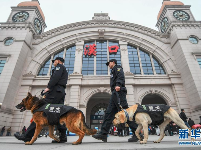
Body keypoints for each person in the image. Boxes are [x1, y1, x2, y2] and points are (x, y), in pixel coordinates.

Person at [14, 57, 68, 143]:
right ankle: (62, 137)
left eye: (54, 61)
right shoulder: (64, 69)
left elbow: (55, 78)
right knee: (58, 114)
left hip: (55, 92)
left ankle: (27, 136)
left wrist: (48, 88)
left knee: (39, 112)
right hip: (60, 92)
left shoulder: (59, 67)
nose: (53, 63)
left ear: (58, 61)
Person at [92, 59, 138, 142]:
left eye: (109, 63)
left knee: (125, 114)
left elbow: (121, 77)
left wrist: (118, 85)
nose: (108, 65)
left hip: (119, 92)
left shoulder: (118, 68)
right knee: (109, 113)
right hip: (115, 93)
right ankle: (103, 134)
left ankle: (138, 133)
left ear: (113, 62)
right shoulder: (112, 71)